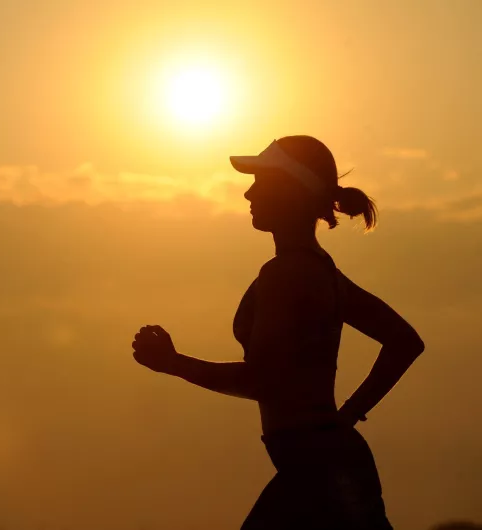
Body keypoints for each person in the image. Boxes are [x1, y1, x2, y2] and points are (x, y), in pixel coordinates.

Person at [131, 135, 425, 529]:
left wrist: (174, 363)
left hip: (319, 473)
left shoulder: (287, 275)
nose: (248, 193)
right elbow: (405, 342)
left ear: (291, 191)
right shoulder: (322, 271)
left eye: (261, 182)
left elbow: (264, 381)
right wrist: (347, 416)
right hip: (327, 466)